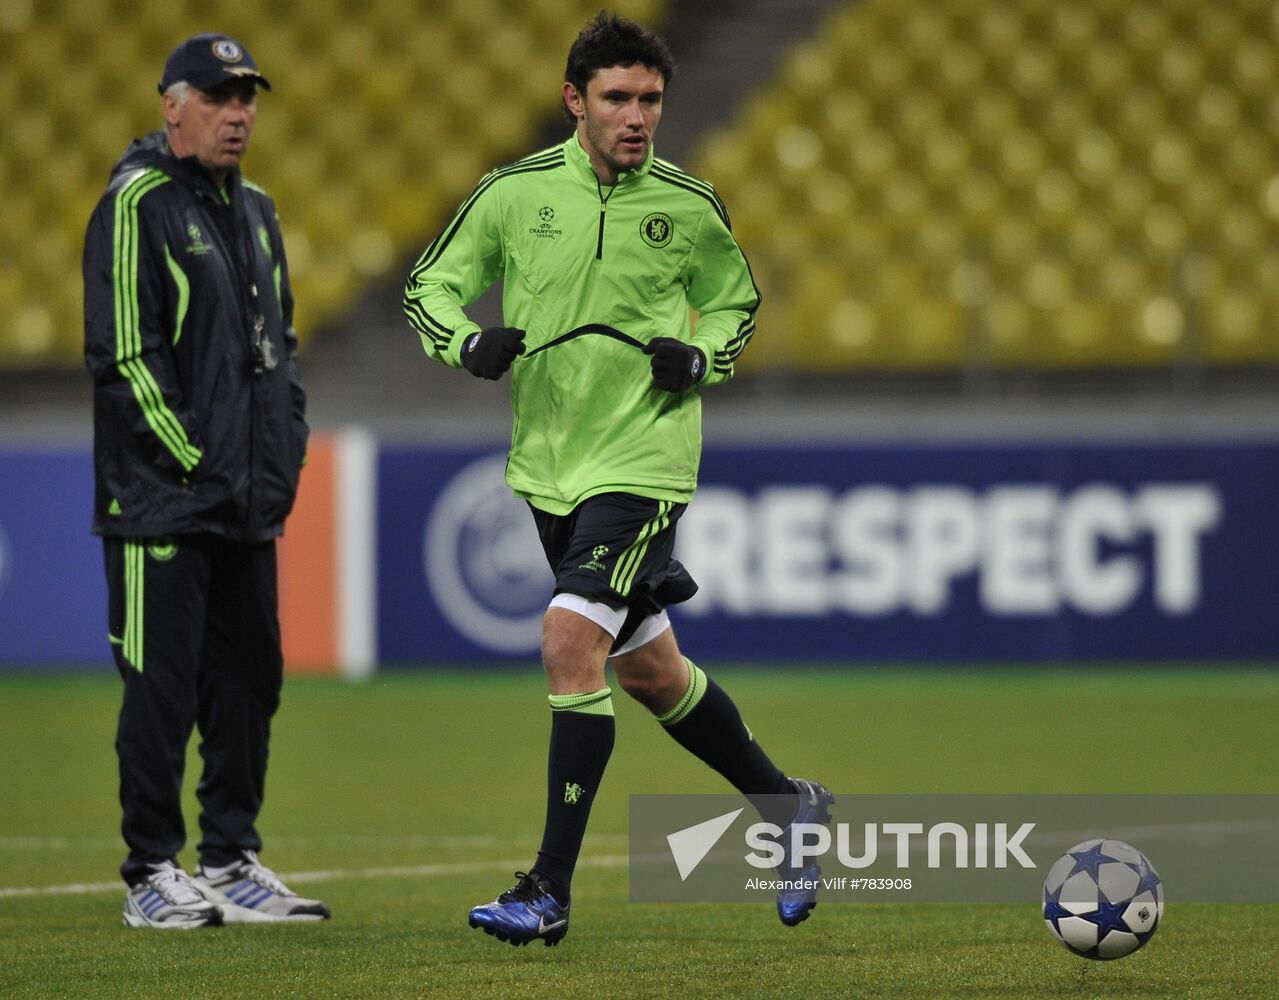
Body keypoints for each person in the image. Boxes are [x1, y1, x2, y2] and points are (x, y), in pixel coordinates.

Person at [404, 12, 832, 947]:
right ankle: (788, 805)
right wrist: (465, 341)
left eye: (650, 100)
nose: (638, 116)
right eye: (618, 98)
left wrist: (704, 357)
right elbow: (427, 288)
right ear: (574, 101)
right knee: (647, 670)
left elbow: (736, 305)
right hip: (547, 468)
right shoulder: (514, 195)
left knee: (567, 641)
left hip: (644, 462)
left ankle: (547, 888)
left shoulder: (687, 205)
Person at [82, 33, 329, 928]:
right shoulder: (135, 202)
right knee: (162, 685)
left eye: (248, 98)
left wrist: (282, 449)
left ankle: (228, 857)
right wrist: (196, 460)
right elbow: (122, 356)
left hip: (244, 501)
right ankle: (151, 870)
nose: (239, 115)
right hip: (161, 501)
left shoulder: (257, 209)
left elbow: (280, 352)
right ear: (171, 104)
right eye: (220, 98)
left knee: (250, 679)